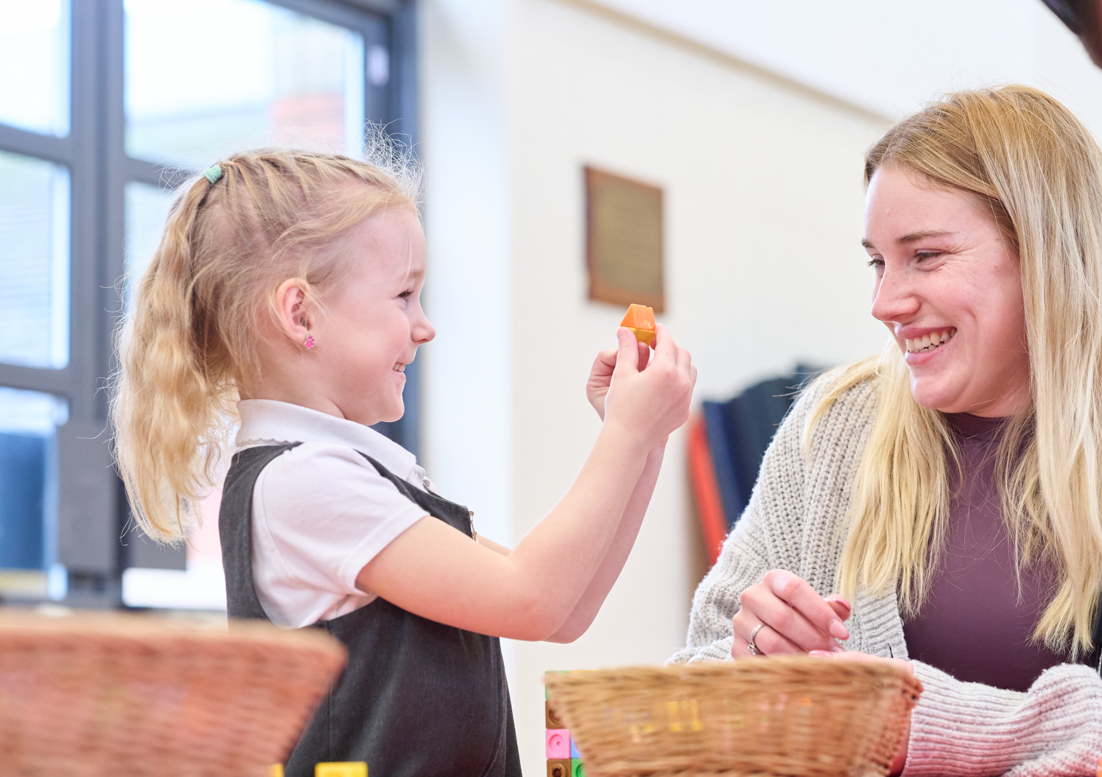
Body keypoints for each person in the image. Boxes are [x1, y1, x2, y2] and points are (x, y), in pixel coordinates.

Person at [111, 145, 696, 777]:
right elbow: (535, 598)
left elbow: (566, 610)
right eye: (404, 295)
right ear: (300, 313)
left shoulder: (351, 475)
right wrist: (627, 434)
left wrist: (644, 438)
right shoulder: (302, 482)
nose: (425, 326)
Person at [671, 85, 1102, 775]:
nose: (884, 303)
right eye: (877, 262)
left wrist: (904, 721)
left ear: (1045, 252)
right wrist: (752, 661)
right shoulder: (835, 424)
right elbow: (689, 681)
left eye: (925, 256)